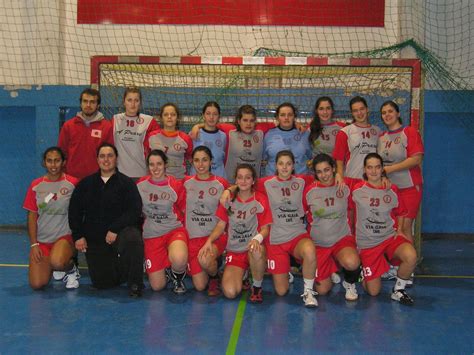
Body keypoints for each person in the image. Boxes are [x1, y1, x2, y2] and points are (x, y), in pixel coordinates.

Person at [68, 143, 144, 297]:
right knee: (102, 283)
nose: (106, 159)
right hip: (95, 238)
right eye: (102, 156)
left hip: (121, 234)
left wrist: (115, 228)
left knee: (133, 238)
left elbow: (135, 211)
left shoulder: (127, 183)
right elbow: (74, 210)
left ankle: (135, 283)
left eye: (110, 155)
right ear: (97, 160)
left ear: (116, 159)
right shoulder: (86, 184)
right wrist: (78, 235)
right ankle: (119, 270)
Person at [351, 153, 417, 305]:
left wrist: (400, 230)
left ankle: (398, 290)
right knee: (373, 292)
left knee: (411, 255)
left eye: (377, 167)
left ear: (382, 169)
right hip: (368, 244)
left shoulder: (392, 189)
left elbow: (401, 211)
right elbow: (333, 180)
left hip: (389, 238)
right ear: (364, 169)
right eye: (370, 167)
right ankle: (364, 271)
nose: (374, 171)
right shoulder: (356, 189)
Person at [199, 164, 271, 303]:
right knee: (230, 293)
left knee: (256, 250)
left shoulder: (260, 199)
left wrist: (257, 239)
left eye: (247, 177)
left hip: (251, 248)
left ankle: (256, 288)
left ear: (253, 180)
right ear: (236, 180)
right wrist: (209, 241)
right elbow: (221, 225)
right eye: (240, 177)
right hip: (235, 251)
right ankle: (243, 277)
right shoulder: (228, 200)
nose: (243, 181)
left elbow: (265, 229)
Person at [258, 150, 318, 307]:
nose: (284, 167)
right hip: (276, 239)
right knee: (281, 291)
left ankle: (309, 292)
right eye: (281, 164)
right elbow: (243, 183)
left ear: (293, 166)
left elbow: (325, 177)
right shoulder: (265, 183)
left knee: (310, 250)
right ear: (275, 166)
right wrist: (229, 191)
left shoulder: (303, 181)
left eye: (288, 164)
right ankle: (285, 272)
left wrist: (338, 176)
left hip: (297, 235)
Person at [303, 154, 361, 301]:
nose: (324, 175)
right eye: (319, 171)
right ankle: (330, 267)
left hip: (341, 239)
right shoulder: (309, 191)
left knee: (352, 262)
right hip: (319, 244)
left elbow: (371, 178)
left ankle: (349, 283)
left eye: (327, 170)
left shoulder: (345, 185)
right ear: (315, 173)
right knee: (322, 291)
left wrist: (384, 177)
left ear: (334, 168)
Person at [23, 147, 80, 290]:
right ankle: (54, 265)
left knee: (58, 262)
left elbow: (80, 212)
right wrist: (34, 245)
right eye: (49, 161)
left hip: (64, 238)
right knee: (37, 284)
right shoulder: (36, 185)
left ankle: (71, 269)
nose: (53, 165)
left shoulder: (73, 183)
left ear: (63, 162)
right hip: (43, 240)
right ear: (44, 163)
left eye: (57, 161)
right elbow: (32, 215)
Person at [136, 149, 189, 294]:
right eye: (152, 164)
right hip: (152, 234)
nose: (155, 168)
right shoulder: (141, 185)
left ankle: (177, 277)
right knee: (157, 287)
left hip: (173, 230)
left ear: (165, 164)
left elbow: (185, 210)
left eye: (159, 164)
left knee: (179, 259)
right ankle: (165, 269)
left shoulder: (175, 185)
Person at [181, 146, 229, 295]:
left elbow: (241, 188)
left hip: (214, 237)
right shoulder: (185, 183)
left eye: (204, 160)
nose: (200, 164)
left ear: (211, 162)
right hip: (193, 238)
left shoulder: (221, 184)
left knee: (206, 260)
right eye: (196, 160)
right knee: (200, 286)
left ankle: (215, 276)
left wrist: (229, 190)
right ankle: (214, 268)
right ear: (192, 162)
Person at [377, 100, 424, 242]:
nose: (387, 115)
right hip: (390, 189)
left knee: (404, 228)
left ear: (397, 113)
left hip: (409, 187)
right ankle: (396, 261)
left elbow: (416, 159)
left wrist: (390, 169)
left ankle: (409, 263)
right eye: (384, 113)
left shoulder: (409, 132)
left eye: (390, 111)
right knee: (393, 227)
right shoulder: (381, 137)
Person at [58, 88, 113, 180]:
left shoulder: (107, 127)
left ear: (98, 105)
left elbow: (110, 155)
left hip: (97, 179)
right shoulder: (69, 125)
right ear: (81, 103)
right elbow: (62, 152)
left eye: (92, 102)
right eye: (85, 101)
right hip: (72, 179)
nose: (88, 105)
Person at [112, 86, 160, 179]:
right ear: (124, 102)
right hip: (119, 175)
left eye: (136, 100)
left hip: (141, 173)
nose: (133, 104)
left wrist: (197, 126)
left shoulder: (149, 121)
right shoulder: (115, 119)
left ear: (140, 103)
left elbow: (162, 139)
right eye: (129, 100)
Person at [333, 96, 381, 189]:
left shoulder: (378, 131)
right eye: (355, 110)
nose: (359, 113)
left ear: (367, 109)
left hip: (373, 180)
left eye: (362, 109)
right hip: (352, 180)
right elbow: (339, 160)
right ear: (352, 113)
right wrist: (340, 177)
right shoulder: (344, 132)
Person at [145, 103, 193, 179]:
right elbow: (147, 156)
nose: (169, 117)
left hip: (179, 180)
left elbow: (190, 158)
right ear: (161, 118)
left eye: (173, 114)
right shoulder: (151, 136)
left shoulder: (185, 138)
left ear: (177, 118)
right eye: (166, 114)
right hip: (157, 180)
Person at [263, 103, 312, 176]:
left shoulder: (304, 134)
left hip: (299, 181)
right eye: (282, 115)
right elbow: (262, 158)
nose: (286, 118)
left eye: (290, 115)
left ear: (294, 117)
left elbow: (311, 157)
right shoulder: (269, 135)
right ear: (277, 117)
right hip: (273, 182)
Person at [189, 102, 228, 178]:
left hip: (218, 179)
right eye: (208, 113)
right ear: (203, 115)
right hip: (197, 179)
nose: (211, 117)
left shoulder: (223, 136)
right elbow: (188, 156)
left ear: (219, 116)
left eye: (215, 114)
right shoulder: (194, 134)